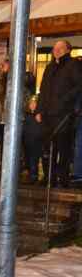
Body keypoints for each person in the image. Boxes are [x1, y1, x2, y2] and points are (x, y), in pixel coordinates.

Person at [38, 40, 82, 187]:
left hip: (64, 114)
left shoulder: (73, 64)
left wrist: (65, 100)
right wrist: (39, 109)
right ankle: (48, 177)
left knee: (63, 148)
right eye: (54, 48)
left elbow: (79, 85)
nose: (56, 50)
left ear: (67, 50)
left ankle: (63, 178)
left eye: (59, 48)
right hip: (47, 114)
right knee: (47, 147)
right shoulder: (49, 67)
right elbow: (43, 90)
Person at [23, 95, 43, 184]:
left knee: (34, 159)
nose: (33, 105)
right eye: (31, 103)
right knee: (28, 159)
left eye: (35, 103)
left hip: (36, 141)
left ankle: (34, 176)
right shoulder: (26, 115)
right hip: (27, 141)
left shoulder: (39, 116)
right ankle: (31, 175)